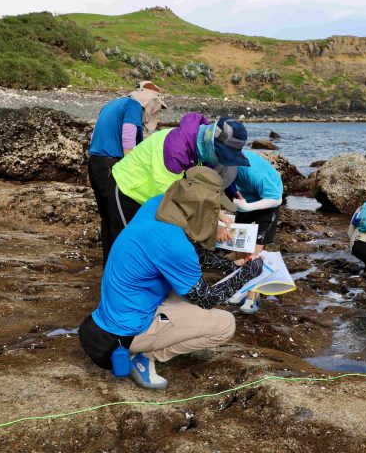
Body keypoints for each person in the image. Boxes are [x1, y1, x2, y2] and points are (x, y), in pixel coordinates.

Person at [78, 166, 265, 390]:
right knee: (225, 324)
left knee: (185, 286)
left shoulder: (156, 204)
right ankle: (146, 356)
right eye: (214, 208)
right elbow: (207, 298)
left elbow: (190, 250)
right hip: (120, 337)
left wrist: (230, 266)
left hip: (109, 316)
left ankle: (148, 342)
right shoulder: (173, 244)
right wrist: (247, 274)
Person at [100, 114, 249, 261]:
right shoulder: (175, 149)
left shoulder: (201, 147)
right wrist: (212, 227)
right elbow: (175, 199)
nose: (221, 161)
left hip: (150, 198)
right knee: (125, 243)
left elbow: (199, 191)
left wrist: (217, 214)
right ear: (212, 143)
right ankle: (115, 281)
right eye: (222, 156)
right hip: (127, 188)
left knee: (144, 246)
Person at [88, 81, 166, 264]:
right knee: (118, 218)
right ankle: (123, 265)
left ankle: (109, 264)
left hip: (96, 164)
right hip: (111, 165)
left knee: (107, 218)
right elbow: (128, 135)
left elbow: (95, 136)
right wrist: (131, 166)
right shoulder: (132, 106)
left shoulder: (112, 104)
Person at [228, 149, 284, 314]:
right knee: (239, 247)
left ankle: (253, 296)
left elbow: (276, 198)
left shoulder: (253, 172)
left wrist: (248, 206)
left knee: (255, 253)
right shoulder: (219, 166)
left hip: (267, 202)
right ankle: (241, 288)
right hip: (243, 201)